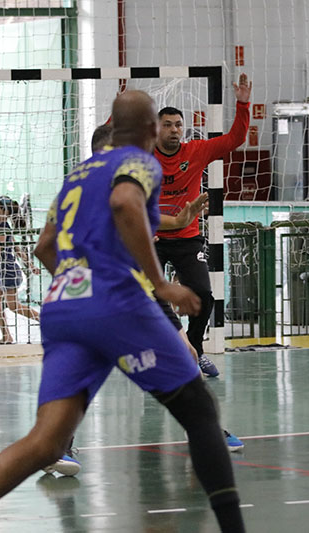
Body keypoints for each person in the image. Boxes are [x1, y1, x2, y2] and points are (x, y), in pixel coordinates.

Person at [0, 90, 245, 533]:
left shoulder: (78, 176)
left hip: (64, 306)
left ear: (111, 124)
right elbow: (125, 202)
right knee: (200, 411)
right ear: (151, 130)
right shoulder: (139, 161)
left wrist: (79, 288)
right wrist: (161, 281)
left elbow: (44, 246)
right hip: (116, 299)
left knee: (46, 441)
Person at [41, 123, 242, 480]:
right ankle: (58, 445)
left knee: (187, 354)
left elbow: (45, 247)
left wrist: (179, 219)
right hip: (114, 295)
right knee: (83, 372)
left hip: (129, 292)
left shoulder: (88, 184)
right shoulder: (108, 185)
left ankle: (205, 431)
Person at [153, 73, 252, 378]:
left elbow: (234, 139)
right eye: (167, 125)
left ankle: (194, 350)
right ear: (156, 128)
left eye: (178, 125)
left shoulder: (195, 151)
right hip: (151, 239)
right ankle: (163, 352)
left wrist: (243, 104)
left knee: (204, 296)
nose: (174, 130)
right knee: (150, 297)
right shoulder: (141, 156)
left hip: (187, 238)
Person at [0, 195, 41, 345]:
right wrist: (30, 265)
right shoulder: (1, 228)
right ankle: (6, 336)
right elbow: (17, 249)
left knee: (13, 306)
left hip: (8, 272)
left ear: (5, 212)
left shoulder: (3, 229)